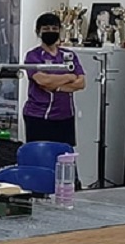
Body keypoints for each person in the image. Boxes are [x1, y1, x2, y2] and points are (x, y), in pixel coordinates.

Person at [22, 12, 86, 146]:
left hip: (65, 116)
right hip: (39, 116)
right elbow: (43, 81)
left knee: (65, 155)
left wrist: (56, 87)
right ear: (38, 31)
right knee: (40, 154)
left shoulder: (69, 55)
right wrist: (69, 76)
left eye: (54, 28)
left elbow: (81, 83)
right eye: (46, 29)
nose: (51, 31)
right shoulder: (33, 56)